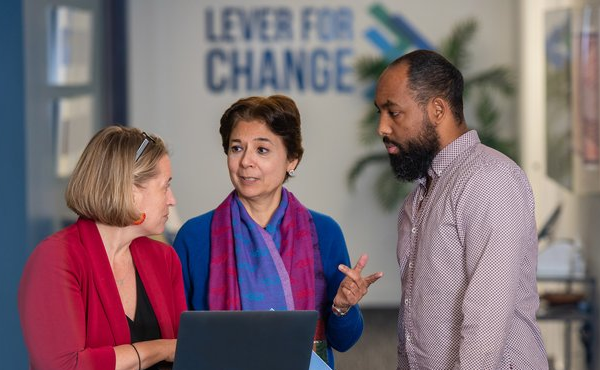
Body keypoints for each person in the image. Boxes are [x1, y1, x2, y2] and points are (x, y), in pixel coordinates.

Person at [173, 95, 383, 368]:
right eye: (236, 148)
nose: (246, 161)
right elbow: (176, 336)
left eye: (262, 150)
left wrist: (343, 306)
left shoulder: (323, 232)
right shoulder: (195, 237)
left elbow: (344, 341)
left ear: (292, 159)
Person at [374, 49, 548, 369]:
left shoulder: (487, 180)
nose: (382, 128)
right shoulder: (419, 197)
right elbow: (415, 319)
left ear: (437, 109)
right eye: (379, 113)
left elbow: (486, 323)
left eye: (393, 112)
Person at [18, 126, 186, 370]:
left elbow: (185, 353)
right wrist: (161, 348)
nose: (172, 199)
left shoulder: (164, 258)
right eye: (165, 186)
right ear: (131, 192)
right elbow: (64, 366)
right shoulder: (55, 259)